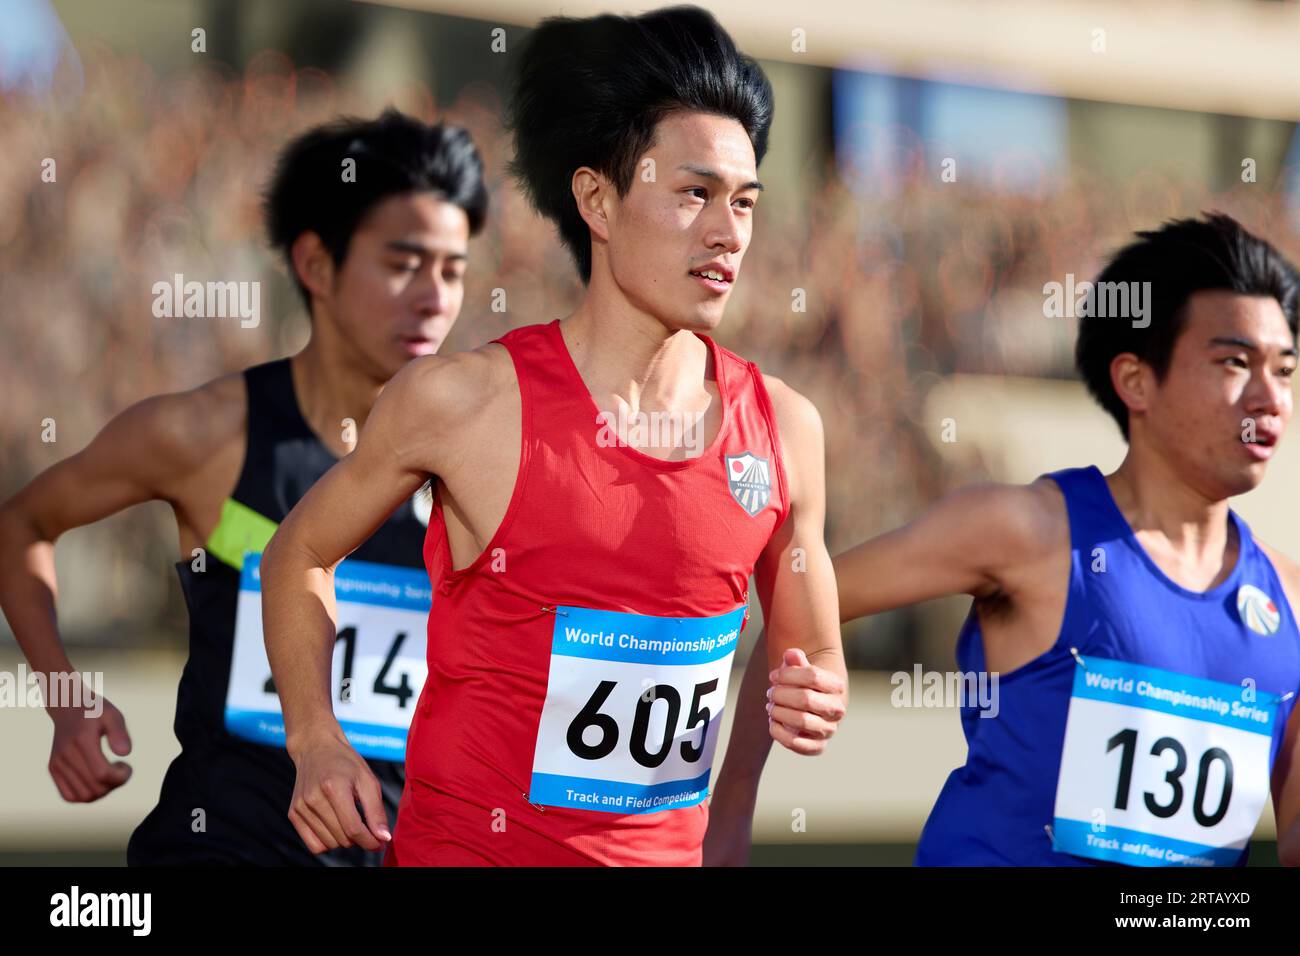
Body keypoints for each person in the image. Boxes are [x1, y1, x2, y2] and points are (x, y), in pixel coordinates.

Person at [260, 5, 847, 867]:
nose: (728, 233)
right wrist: (316, 739)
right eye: (695, 194)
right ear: (597, 200)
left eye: (745, 203)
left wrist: (813, 693)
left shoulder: (787, 430)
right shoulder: (462, 403)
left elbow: (811, 649)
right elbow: (296, 554)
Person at [0, 109, 489, 865]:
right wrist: (65, 698)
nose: (433, 297)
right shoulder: (205, 435)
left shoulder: (476, 464)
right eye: (403, 262)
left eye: (453, 270)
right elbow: (22, 524)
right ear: (316, 265)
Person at [827, 213, 1300, 866]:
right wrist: (735, 799)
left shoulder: (1291, 601)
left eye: (1284, 370)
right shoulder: (1026, 532)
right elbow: (803, 596)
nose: (1269, 398)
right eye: (1234, 362)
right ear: (1136, 380)